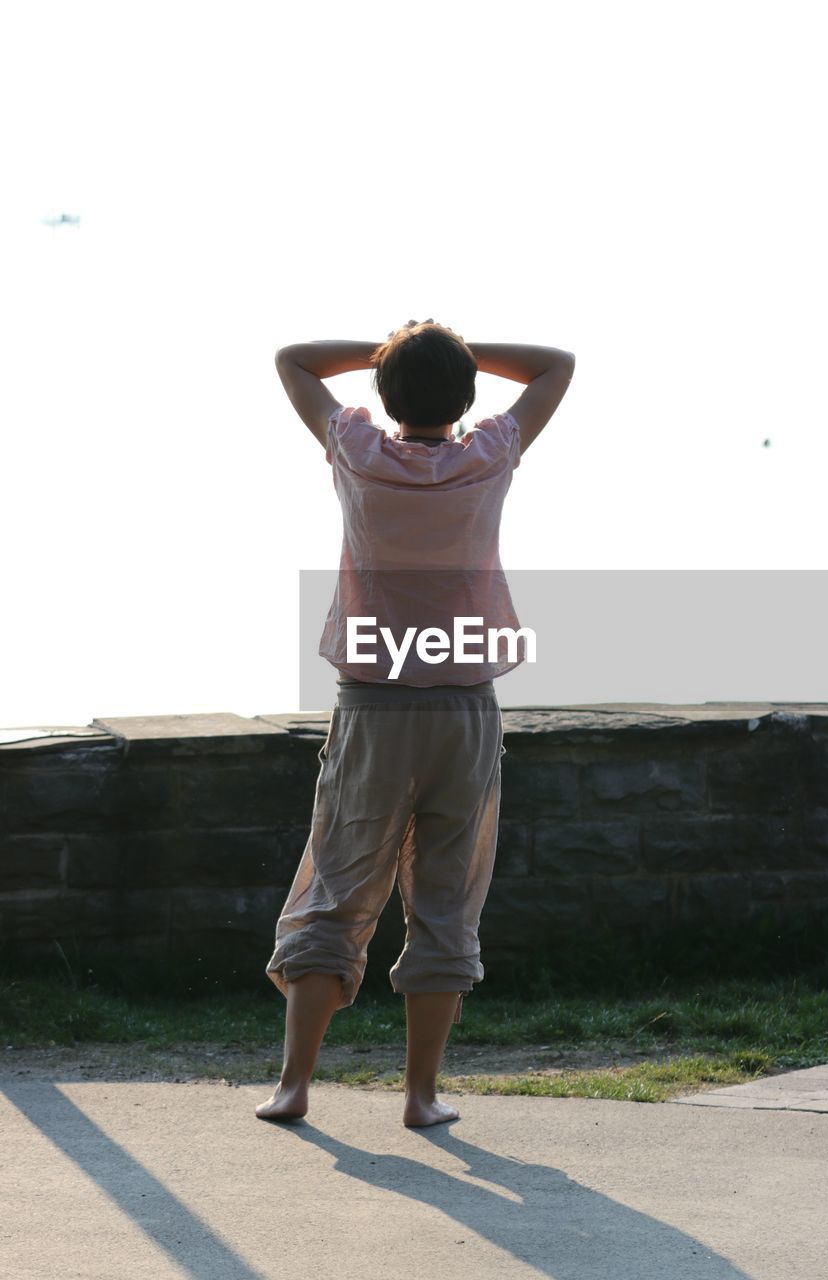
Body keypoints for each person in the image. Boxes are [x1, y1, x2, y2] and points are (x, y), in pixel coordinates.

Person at [257, 320, 575, 1127]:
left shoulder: (357, 451)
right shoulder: (490, 453)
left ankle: (294, 1086)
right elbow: (554, 364)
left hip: (370, 706)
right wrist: (457, 349)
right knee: (444, 898)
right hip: (463, 708)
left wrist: (383, 347)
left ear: (382, 394)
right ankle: (421, 1096)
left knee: (336, 885)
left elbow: (291, 359)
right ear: (467, 394)